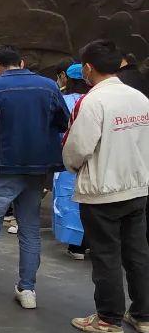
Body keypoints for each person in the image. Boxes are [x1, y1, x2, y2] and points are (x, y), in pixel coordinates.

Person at [0, 46, 70, 307]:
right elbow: (62, 121)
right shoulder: (48, 86)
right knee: (29, 229)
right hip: (36, 166)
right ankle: (27, 289)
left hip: (2, 165)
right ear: (22, 62)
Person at [64, 40, 149, 333]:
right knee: (137, 253)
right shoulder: (139, 98)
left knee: (106, 255)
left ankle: (108, 319)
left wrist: (73, 167)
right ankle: (143, 314)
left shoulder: (94, 101)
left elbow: (77, 148)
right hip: (137, 187)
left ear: (88, 68)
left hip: (102, 190)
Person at [55, 64, 90, 259]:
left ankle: (76, 245)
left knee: (69, 200)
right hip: (92, 159)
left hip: (67, 159)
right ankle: (90, 242)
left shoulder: (64, 100)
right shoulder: (93, 99)